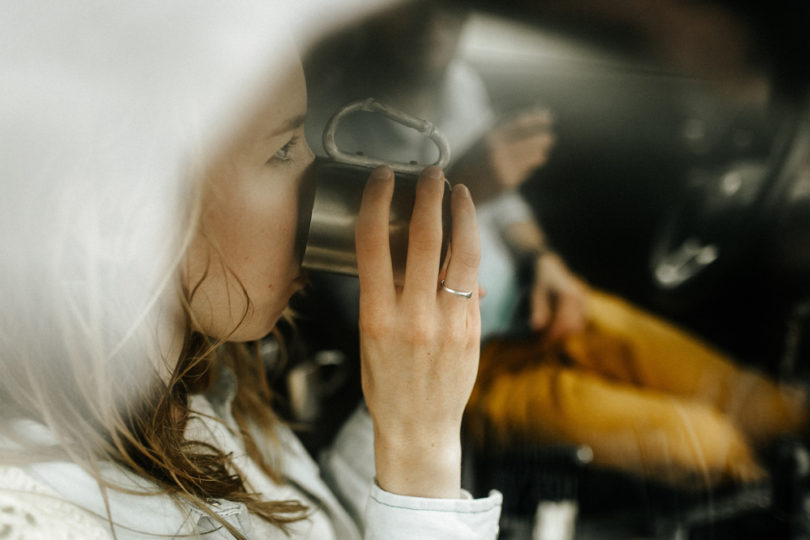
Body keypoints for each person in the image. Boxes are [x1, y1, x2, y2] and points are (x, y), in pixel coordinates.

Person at [0, 2, 502, 539]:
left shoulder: (195, 398)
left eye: (304, 140)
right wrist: (420, 460)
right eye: (282, 150)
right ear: (110, 219)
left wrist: (404, 411)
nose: (317, 187)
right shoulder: (41, 520)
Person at [302, 0, 809, 490]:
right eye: (412, 5)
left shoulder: (459, 85)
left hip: (534, 308)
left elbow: (505, 208)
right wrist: (465, 182)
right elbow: (361, 292)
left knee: (766, 404)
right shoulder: (330, 120)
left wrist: (543, 262)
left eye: (450, 4)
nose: (435, 19)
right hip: (459, 365)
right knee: (710, 444)